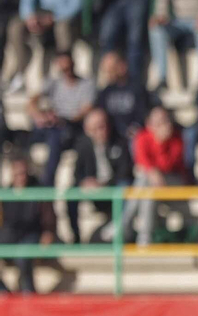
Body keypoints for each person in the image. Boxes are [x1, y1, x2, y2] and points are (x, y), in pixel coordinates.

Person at [64, 107, 132, 243]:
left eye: (103, 125)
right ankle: (76, 237)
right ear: (88, 129)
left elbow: (125, 173)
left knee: (124, 186)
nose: (102, 130)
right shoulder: (83, 145)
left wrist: (104, 185)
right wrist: (85, 183)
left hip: (113, 187)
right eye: (96, 127)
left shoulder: (119, 141)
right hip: (93, 189)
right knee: (70, 193)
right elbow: (77, 174)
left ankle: (119, 229)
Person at [128, 104, 187, 244]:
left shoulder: (177, 139)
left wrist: (161, 143)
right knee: (147, 185)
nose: (163, 125)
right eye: (158, 122)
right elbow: (141, 159)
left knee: (145, 180)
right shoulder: (142, 136)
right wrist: (153, 173)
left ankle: (124, 225)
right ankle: (145, 237)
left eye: (165, 120)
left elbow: (168, 165)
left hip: (174, 181)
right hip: (152, 183)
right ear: (149, 124)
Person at [34, 52, 97, 180]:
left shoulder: (86, 84)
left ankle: (48, 184)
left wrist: (64, 120)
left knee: (56, 139)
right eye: (63, 68)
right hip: (54, 126)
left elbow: (86, 110)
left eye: (67, 67)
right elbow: (31, 101)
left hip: (73, 127)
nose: (66, 71)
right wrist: (40, 116)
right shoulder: (53, 83)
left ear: (73, 64)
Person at [0, 147, 53, 293]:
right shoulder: (6, 193)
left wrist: (48, 232)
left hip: (32, 233)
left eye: (23, 172)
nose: (21, 176)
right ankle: (4, 294)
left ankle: (28, 294)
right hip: (11, 233)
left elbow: (48, 216)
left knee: (23, 257)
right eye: (17, 173)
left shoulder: (38, 189)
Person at [94, 49, 151, 143]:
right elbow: (100, 113)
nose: (107, 75)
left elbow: (143, 114)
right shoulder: (105, 92)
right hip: (111, 135)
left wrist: (134, 128)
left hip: (132, 135)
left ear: (122, 67)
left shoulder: (137, 89)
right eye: (106, 71)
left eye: (111, 70)